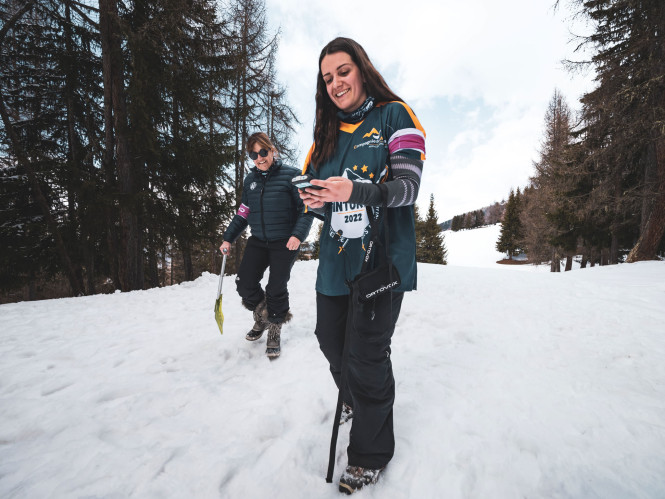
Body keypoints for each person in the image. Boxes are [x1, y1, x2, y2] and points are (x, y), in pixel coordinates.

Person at [298, 37, 426, 494]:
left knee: (367, 355)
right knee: (331, 342)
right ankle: (352, 397)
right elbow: (318, 203)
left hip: (382, 267)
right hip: (335, 266)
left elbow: (408, 187)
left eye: (343, 71)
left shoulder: (395, 115)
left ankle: (370, 453)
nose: (336, 83)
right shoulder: (325, 136)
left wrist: (356, 192)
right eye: (327, 77)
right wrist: (311, 200)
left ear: (363, 70)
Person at [220, 132, 312, 359]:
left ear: (273, 151)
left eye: (263, 152)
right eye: (254, 154)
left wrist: (297, 235)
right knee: (244, 283)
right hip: (259, 240)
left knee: (276, 287)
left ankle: (274, 327)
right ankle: (263, 315)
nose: (259, 158)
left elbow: (306, 209)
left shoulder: (292, 175)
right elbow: (243, 213)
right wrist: (227, 238)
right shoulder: (250, 181)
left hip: (285, 242)